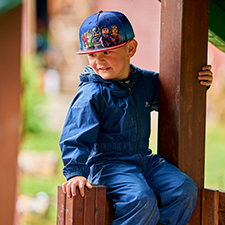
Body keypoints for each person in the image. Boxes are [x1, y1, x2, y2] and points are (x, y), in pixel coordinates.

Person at [59, 10, 213, 225]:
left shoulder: (146, 82)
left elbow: (178, 96)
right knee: (140, 199)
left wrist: (199, 83)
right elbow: (75, 134)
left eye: (107, 52)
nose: (99, 61)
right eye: (92, 55)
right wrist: (75, 172)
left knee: (183, 188)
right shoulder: (91, 94)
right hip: (108, 164)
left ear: (131, 48)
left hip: (142, 159)